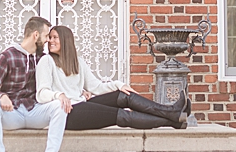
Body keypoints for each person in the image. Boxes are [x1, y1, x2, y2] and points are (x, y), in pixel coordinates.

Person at [37, 24, 188, 130]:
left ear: (65, 40)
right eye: (50, 37)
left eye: (55, 37)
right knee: (124, 116)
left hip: (81, 105)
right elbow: (41, 94)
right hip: (67, 114)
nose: (50, 41)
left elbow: (96, 87)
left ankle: (171, 113)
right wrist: (59, 95)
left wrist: (118, 84)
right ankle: (171, 117)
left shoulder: (78, 62)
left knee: (124, 96)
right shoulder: (46, 61)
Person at [0, 16, 68, 152]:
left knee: (59, 106)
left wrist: (83, 91)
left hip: (34, 110)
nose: (48, 40)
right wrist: (1, 96)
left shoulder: (43, 59)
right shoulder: (7, 56)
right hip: (11, 113)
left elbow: (62, 81)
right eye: (46, 36)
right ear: (36, 35)